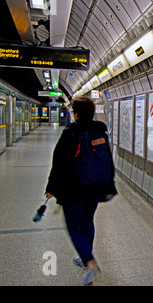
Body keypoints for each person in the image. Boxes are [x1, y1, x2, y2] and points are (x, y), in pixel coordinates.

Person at [45, 96, 117, 285]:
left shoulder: (71, 132)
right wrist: (109, 184)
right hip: (94, 188)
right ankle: (86, 256)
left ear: (76, 113)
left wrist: (51, 187)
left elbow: (59, 162)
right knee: (87, 222)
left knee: (74, 227)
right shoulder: (100, 132)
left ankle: (91, 263)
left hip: (73, 189)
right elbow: (108, 160)